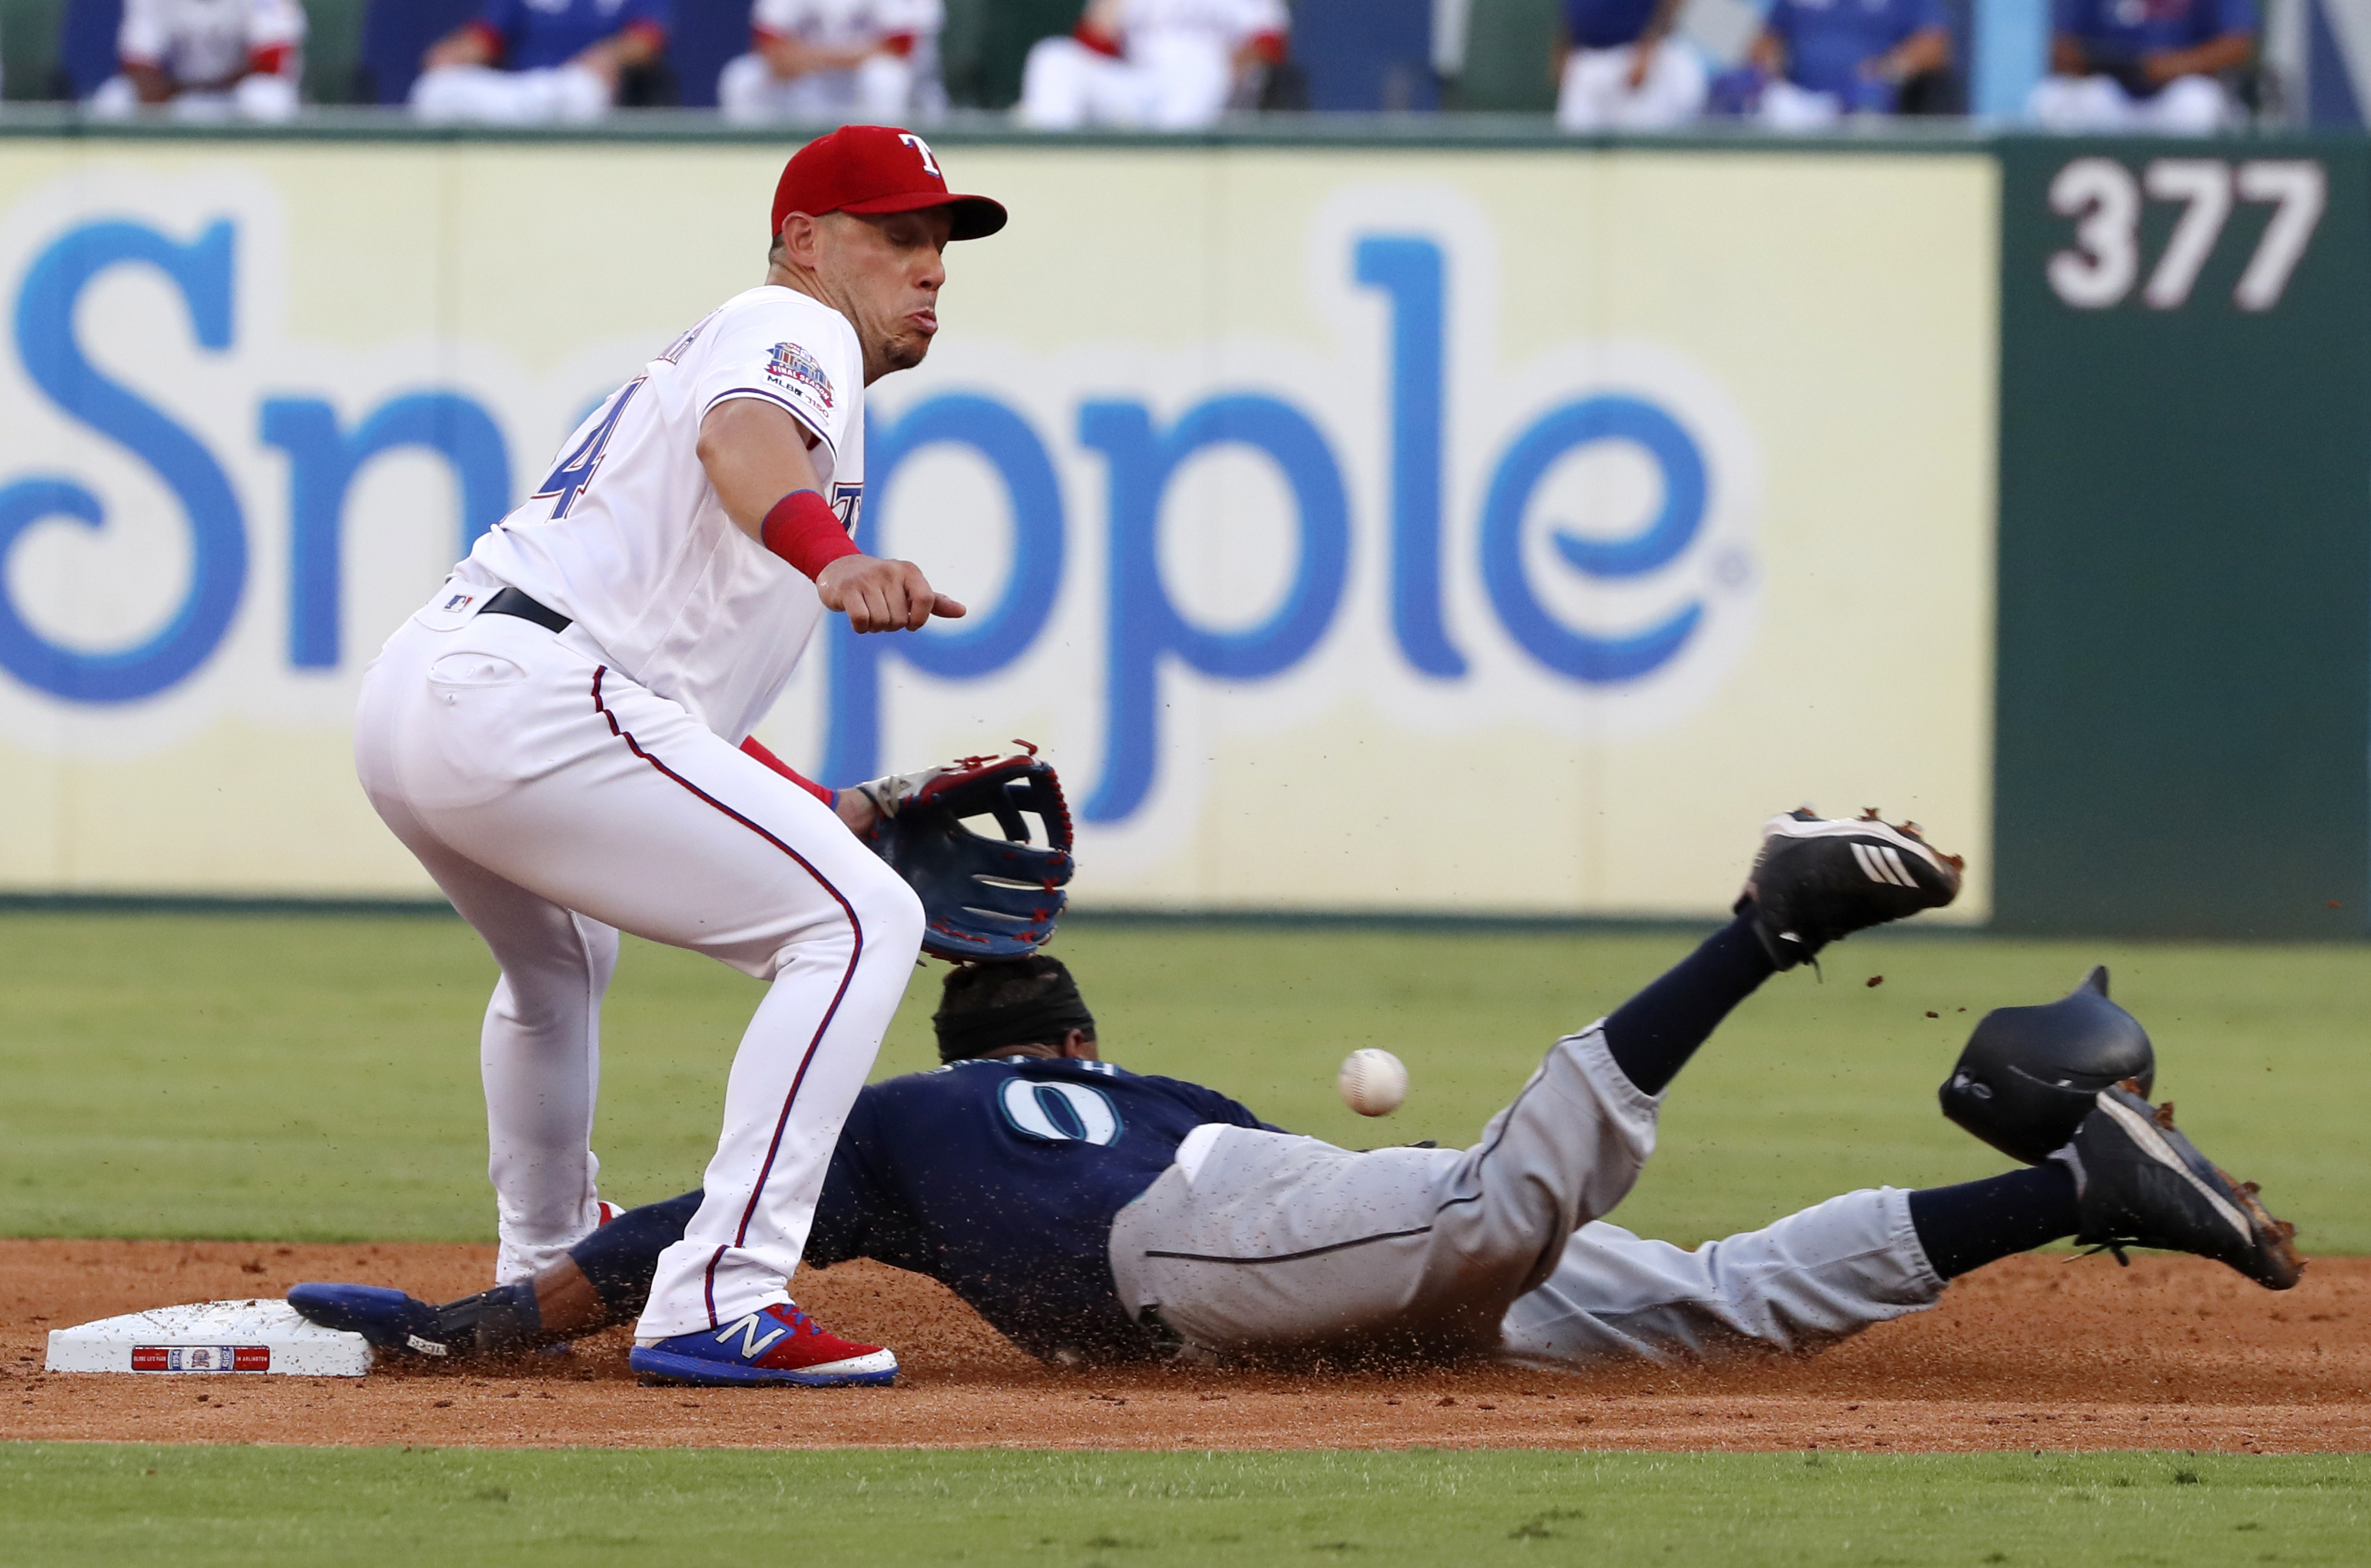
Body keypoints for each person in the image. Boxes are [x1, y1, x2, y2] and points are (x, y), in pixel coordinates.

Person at [288, 812, 2304, 1378]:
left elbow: (661, 1247)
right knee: (1699, 1293)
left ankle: (1757, 932)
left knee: (1490, 1210)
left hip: (1217, 1247)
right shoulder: (1139, 1076)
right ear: (1066, 1045)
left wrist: (464, 1322)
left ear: (967, 1053)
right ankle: (2068, 1185)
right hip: (1271, 1197)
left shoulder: (897, 1131)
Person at [347, 125, 1009, 1388]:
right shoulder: (790, 326)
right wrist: (838, 560)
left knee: (558, 964)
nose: (927, 268)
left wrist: (833, 805)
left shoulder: (734, 351)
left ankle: (540, 1259)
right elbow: (744, 445)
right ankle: (719, 1294)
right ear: (805, 245)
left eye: (937, 243)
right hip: (532, 695)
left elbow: (664, 717)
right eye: (895, 236)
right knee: (857, 925)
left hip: (437, 694)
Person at [1017, 0, 1289, 132]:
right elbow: (1093, 48)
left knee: (1202, 68)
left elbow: (1268, 44)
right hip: (1140, 89)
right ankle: (1052, 166)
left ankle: (1169, 169)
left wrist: (1227, 73)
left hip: (1206, 93)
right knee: (1053, 57)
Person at [410, 0, 672, 126]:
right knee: (434, 90)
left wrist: (609, 56)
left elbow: (647, 39)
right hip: (521, 91)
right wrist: (454, 53)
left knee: (582, 92)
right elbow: (487, 37)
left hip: (576, 88)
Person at [2028, 0, 2255, 135]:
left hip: (2177, 92)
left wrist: (2162, 68)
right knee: (2051, 99)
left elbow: (2238, 45)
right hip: (2109, 91)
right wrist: (2118, 64)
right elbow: (2059, 48)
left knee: (2198, 101)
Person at [1722, 0, 1953, 128]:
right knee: (1738, 89)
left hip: (1867, 102)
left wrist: (1885, 69)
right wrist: (1768, 66)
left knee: (1867, 100)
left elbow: (1935, 46)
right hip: (1799, 102)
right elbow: (1766, 40)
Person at [716, 0, 944, 124]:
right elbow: (768, 43)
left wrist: (815, 58)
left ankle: (880, 165)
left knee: (882, 78)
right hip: (812, 81)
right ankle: (752, 167)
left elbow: (899, 46)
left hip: (871, 81)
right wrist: (822, 60)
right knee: (742, 79)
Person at [89, 0, 306, 123]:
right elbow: (138, 65)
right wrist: (175, 96)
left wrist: (195, 92)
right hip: (179, 99)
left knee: (264, 98)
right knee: (113, 99)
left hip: (235, 100)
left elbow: (271, 65)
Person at [1554, 0, 1705, 133]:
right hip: (1584, 57)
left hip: (1636, 56)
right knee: (1574, 149)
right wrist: (1565, 45)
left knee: (1638, 149)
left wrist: (1650, 44)